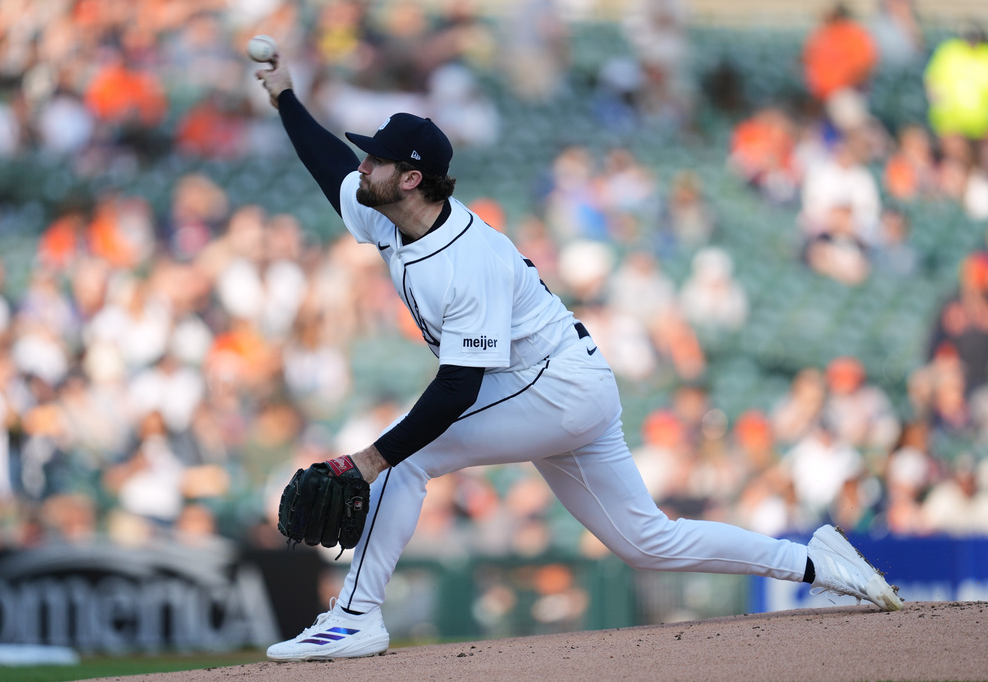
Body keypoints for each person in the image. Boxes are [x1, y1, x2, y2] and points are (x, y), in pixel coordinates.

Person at [253, 46, 903, 662]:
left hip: (553, 387)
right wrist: (286, 98)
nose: (363, 166)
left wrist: (367, 461)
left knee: (401, 460)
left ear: (413, 178)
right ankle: (819, 563)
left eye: (377, 161)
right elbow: (330, 169)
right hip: (559, 382)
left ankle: (355, 616)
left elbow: (456, 389)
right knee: (649, 541)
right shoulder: (388, 212)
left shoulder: (465, 258)